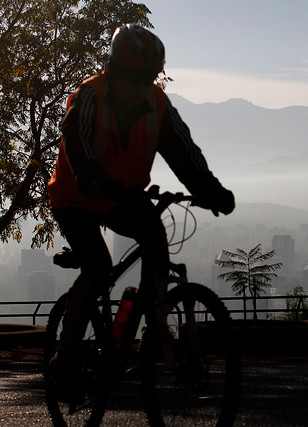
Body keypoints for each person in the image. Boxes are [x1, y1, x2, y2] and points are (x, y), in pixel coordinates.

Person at [47, 24, 234, 401]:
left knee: (156, 241)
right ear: (114, 72)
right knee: (98, 266)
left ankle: (153, 326)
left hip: (122, 197)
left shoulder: (157, 105)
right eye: (133, 79)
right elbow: (78, 147)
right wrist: (98, 182)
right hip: (75, 198)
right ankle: (64, 361)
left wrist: (211, 190)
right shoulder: (88, 97)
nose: (139, 88)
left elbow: (184, 152)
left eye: (147, 79)